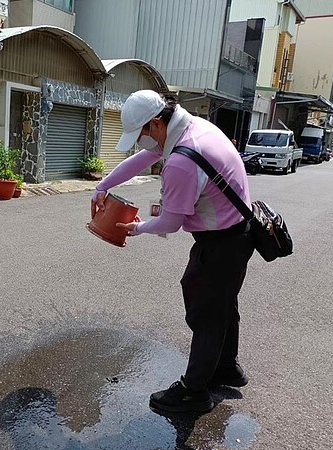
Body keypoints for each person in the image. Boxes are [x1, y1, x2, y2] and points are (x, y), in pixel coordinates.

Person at [92, 90, 254, 413]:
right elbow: (144, 158)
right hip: (238, 231)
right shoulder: (191, 127)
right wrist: (103, 185)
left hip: (222, 240)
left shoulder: (181, 160)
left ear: (154, 124)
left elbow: (170, 223)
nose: (139, 144)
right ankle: (226, 367)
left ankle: (193, 391)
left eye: (138, 136)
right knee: (223, 301)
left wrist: (136, 228)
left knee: (205, 308)